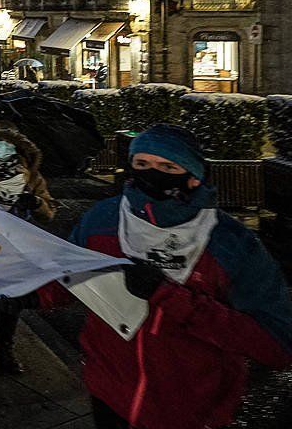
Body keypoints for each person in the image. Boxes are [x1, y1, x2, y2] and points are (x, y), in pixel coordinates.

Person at [15, 124, 292, 429]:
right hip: (111, 394)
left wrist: (170, 297)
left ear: (194, 175)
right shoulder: (103, 219)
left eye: (167, 166)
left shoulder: (230, 243)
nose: (152, 174)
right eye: (142, 164)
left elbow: (276, 344)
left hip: (192, 410)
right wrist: (33, 295)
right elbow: (74, 273)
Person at [0, 119, 54, 375]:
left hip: (19, 247)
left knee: (13, 301)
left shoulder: (31, 174)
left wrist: (35, 203)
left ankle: (7, 348)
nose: (3, 147)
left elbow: (49, 213)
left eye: (8, 143)